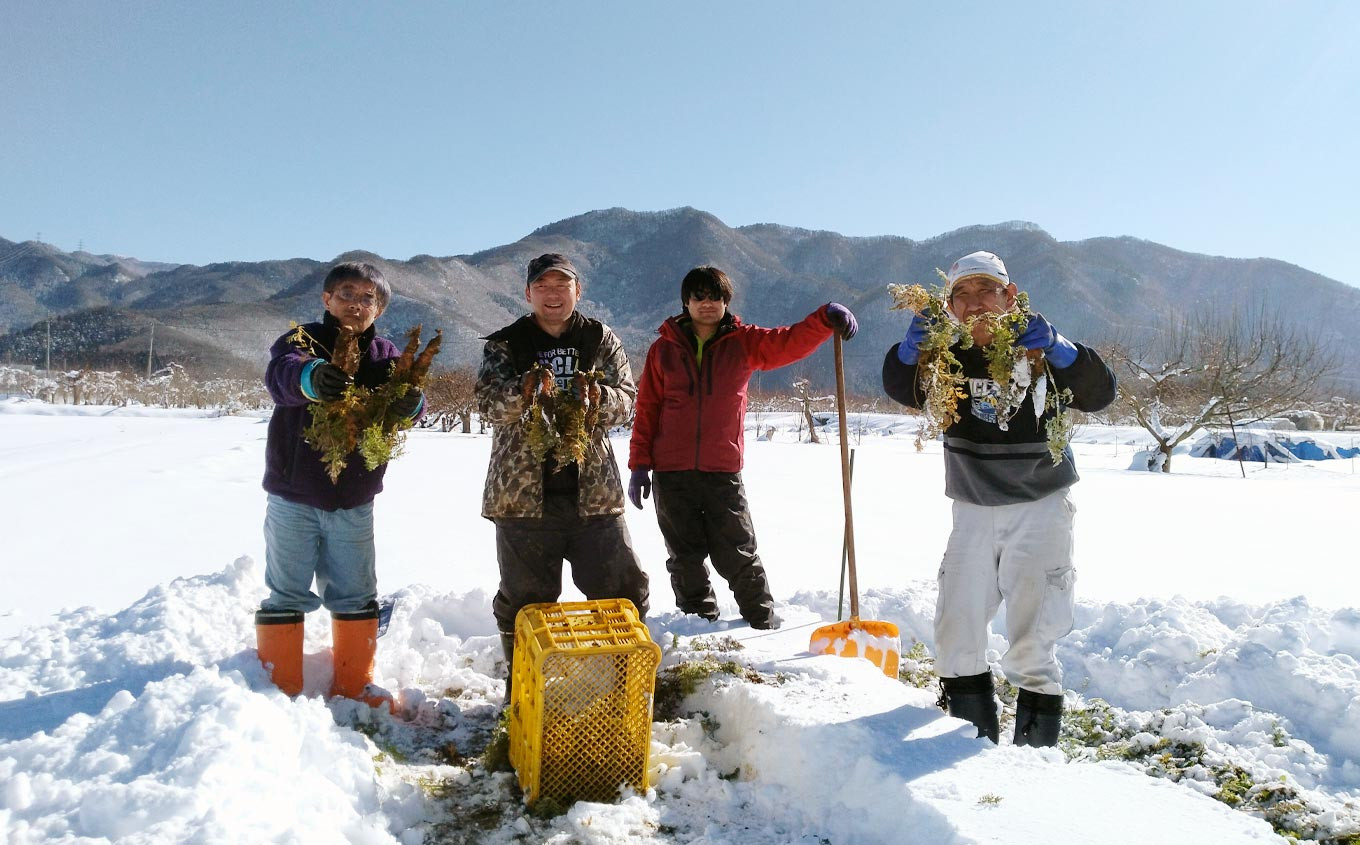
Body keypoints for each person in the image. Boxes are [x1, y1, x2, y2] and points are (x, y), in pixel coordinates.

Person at [882, 250, 1115, 747]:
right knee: (956, 628)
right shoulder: (946, 357)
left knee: (1035, 635)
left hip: (1040, 508)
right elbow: (905, 390)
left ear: (1010, 296)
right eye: (962, 294)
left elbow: (1100, 392)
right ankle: (968, 741)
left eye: (986, 290)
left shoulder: (1038, 349)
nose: (975, 303)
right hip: (972, 509)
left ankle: (1034, 758)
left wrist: (1062, 349)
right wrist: (906, 354)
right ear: (950, 306)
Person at [627, 265, 858, 629]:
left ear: (726, 302)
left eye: (715, 297)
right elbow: (647, 409)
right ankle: (697, 623)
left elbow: (788, 342)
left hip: (722, 470)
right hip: (671, 472)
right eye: (699, 297)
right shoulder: (663, 350)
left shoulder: (743, 342)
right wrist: (639, 465)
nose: (707, 304)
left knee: (737, 551)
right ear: (686, 302)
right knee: (684, 556)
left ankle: (762, 621)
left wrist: (822, 319)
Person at [477, 253, 651, 699]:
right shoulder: (506, 343)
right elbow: (489, 405)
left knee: (623, 592)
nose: (552, 294)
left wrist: (597, 396)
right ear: (528, 293)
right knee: (524, 603)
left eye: (562, 286)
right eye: (543, 286)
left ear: (578, 291)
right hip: (522, 499)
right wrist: (524, 391)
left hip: (594, 495)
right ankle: (524, 696)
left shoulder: (599, 338)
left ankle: (622, 692)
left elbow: (627, 400)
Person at [257, 261, 424, 710]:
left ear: (379, 309)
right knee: (286, 591)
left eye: (368, 298)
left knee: (355, 591)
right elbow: (280, 375)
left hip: (354, 499)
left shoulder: (385, 356)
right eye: (346, 294)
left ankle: (354, 686)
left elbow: (410, 398)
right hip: (293, 495)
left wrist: (411, 403)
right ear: (327, 300)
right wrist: (311, 377)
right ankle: (278, 689)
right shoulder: (302, 341)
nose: (356, 304)